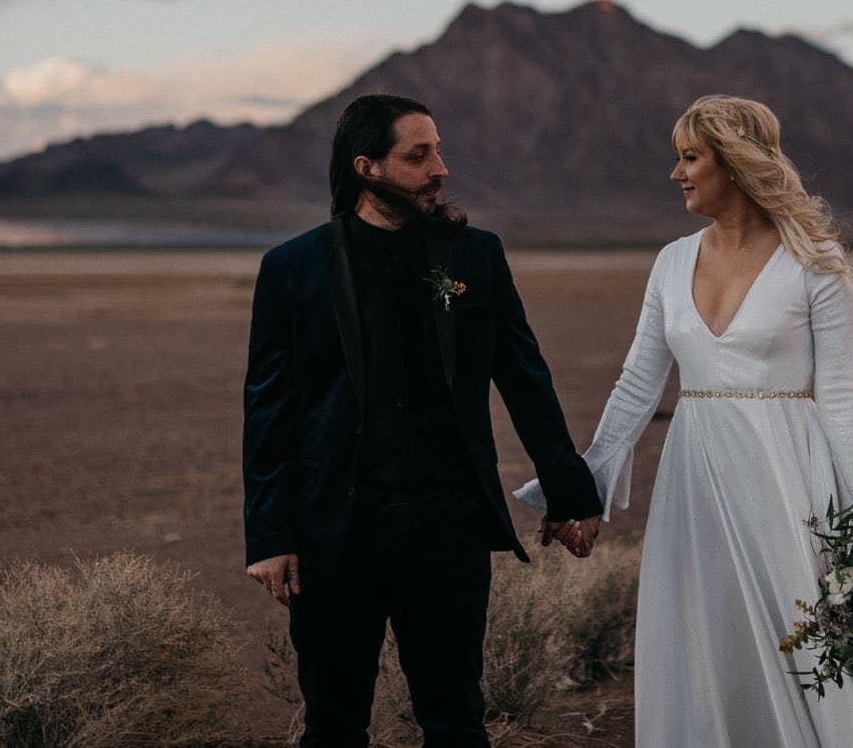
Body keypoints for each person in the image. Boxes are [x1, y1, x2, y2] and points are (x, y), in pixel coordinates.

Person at [520, 94, 853, 746]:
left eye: (689, 157)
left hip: (787, 476)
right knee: (710, 630)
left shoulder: (814, 262)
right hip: (694, 475)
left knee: (804, 635)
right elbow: (636, 382)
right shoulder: (671, 261)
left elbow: (844, 395)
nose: (676, 174)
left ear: (733, 164)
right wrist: (583, 488)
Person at [242, 93, 603, 748]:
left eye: (438, 149)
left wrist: (569, 489)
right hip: (333, 532)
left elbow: (524, 378)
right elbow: (269, 408)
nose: (440, 167)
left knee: (456, 718)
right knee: (333, 723)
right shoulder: (293, 268)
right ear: (366, 166)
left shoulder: (475, 257)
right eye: (419, 154)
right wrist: (270, 533)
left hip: (447, 525)